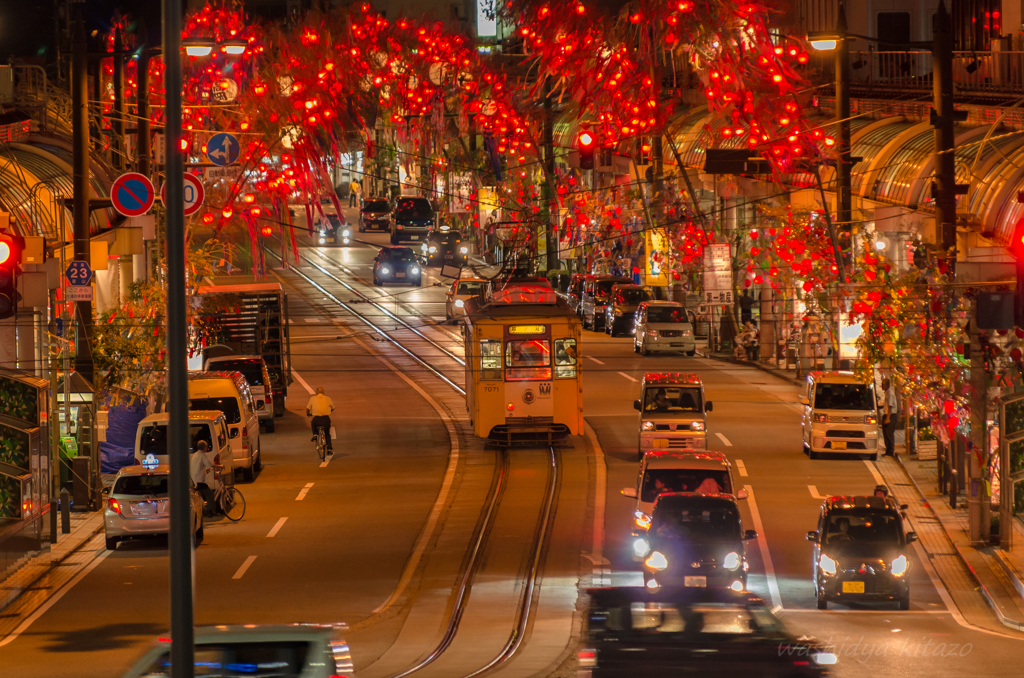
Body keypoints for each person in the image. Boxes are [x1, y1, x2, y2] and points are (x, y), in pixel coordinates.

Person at [306, 386, 336, 454]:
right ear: (323, 392)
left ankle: (315, 435)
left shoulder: (312, 399)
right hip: (326, 419)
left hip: (317, 419)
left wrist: (309, 414)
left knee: (313, 424)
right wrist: (329, 411)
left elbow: (307, 408)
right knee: (327, 434)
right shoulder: (328, 398)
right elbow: (333, 407)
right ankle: (329, 450)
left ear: (316, 392)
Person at [190, 441, 215, 515]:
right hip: (199, 482)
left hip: (194, 480)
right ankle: (210, 511)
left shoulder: (195, 455)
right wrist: (220, 466)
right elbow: (210, 465)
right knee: (209, 494)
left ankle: (206, 509)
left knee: (203, 494)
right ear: (204, 448)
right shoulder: (202, 455)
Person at [881, 377, 898, 457]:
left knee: (889, 433)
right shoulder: (887, 393)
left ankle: (891, 451)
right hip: (887, 414)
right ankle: (887, 450)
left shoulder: (890, 393)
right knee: (885, 433)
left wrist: (888, 418)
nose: (882, 386)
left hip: (891, 415)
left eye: (883, 385)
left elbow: (890, 407)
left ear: (887, 385)